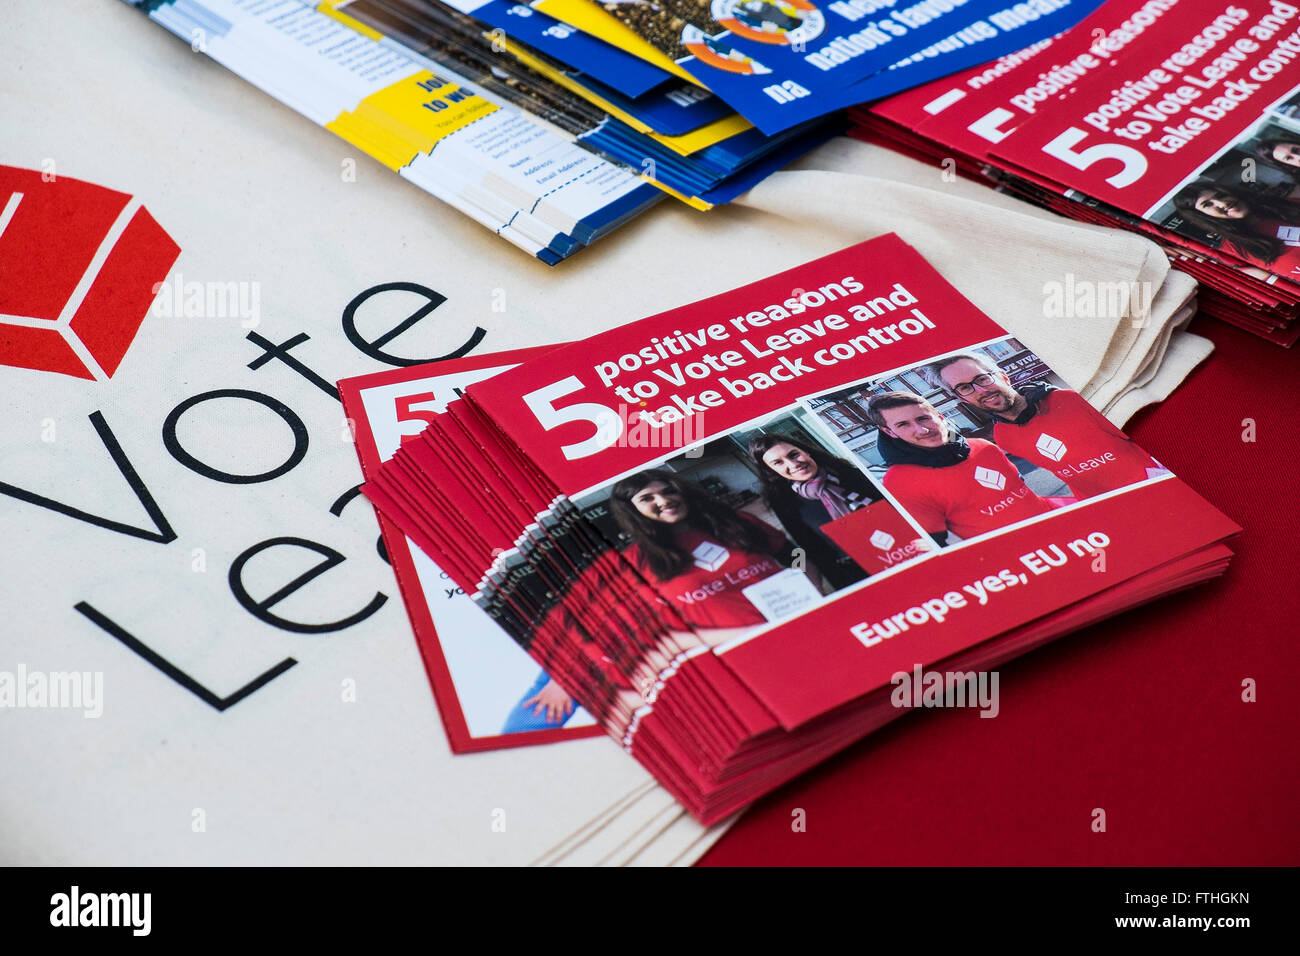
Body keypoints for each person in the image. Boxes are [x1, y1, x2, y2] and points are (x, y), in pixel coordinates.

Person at [608, 469, 815, 646]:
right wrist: (745, 634)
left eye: (669, 491)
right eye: (646, 498)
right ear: (631, 510)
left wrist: (813, 591)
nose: (663, 501)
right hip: (739, 648)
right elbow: (657, 632)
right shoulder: (634, 562)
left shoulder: (735, 522)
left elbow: (796, 555)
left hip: (803, 621)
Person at [928, 354, 1165, 499]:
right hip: (1111, 505)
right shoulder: (1003, 436)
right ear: (961, 398)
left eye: (982, 378)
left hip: (1155, 485)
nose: (981, 390)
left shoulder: (1071, 399)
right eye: (965, 387)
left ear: (1003, 376)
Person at [866, 392, 1055, 543]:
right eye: (903, 424)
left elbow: (1020, 488)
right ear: (889, 431)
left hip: (1055, 522)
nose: (922, 430)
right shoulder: (899, 481)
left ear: (939, 415)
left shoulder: (982, 445)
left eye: (923, 418)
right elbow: (938, 542)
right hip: (1012, 553)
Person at [747, 433, 872, 589]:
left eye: (794, 455)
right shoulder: (785, 503)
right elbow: (812, 549)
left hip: (900, 549)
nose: (793, 464)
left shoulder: (852, 476)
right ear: (771, 470)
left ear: (806, 451)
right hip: (855, 574)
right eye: (778, 462)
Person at [1170, 182, 1300, 273]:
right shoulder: (1233, 251)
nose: (1223, 204)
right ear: (1202, 216)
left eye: (1220, 196)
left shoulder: (1288, 206)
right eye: (1207, 204)